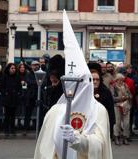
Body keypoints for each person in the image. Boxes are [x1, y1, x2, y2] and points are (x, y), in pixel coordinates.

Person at [34, 10, 112, 159]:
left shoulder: (98, 110)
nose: (73, 87)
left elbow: (100, 144)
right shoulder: (55, 111)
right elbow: (44, 146)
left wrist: (78, 140)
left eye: (78, 82)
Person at [0, 63, 21, 136]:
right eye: (12, 68)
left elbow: (19, 87)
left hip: (14, 98)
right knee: (7, 115)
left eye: (14, 68)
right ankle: (6, 130)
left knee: (13, 115)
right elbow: (1, 87)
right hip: (7, 98)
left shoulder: (17, 77)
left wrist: (18, 93)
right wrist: (5, 93)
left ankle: (12, 129)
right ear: (8, 69)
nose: (13, 69)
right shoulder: (4, 77)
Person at [110, 73, 132, 145]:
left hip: (126, 106)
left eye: (122, 80)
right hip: (117, 106)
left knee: (126, 123)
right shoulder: (113, 86)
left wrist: (127, 97)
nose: (121, 81)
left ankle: (125, 137)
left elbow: (130, 95)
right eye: (119, 80)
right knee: (117, 122)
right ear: (116, 80)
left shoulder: (125, 85)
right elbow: (112, 98)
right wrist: (120, 98)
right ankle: (116, 137)